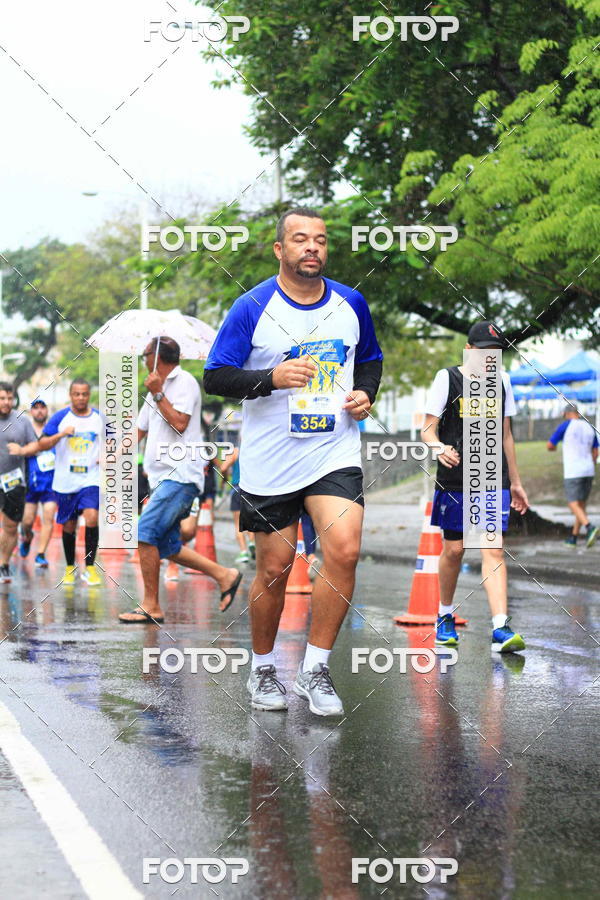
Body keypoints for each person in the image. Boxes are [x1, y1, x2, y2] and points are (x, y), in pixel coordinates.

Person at [204, 207, 383, 716]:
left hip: (334, 450)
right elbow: (215, 376)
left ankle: (314, 669)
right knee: (276, 569)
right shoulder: (252, 305)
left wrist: (365, 393)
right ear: (280, 249)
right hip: (271, 460)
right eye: (301, 239)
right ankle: (262, 667)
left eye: (321, 241)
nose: (313, 248)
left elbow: (369, 358)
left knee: (344, 552)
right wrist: (272, 378)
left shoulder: (351, 302)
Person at [118, 336, 243, 624]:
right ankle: (225, 575)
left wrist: (159, 393)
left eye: (145, 354)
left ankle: (151, 605)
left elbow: (180, 423)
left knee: (145, 533)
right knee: (169, 545)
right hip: (160, 479)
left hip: (180, 476)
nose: (143, 360)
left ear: (157, 355)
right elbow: (138, 432)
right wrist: (110, 457)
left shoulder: (183, 381)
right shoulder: (152, 391)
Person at [421, 321, 529, 653]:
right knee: (454, 550)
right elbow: (427, 429)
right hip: (455, 479)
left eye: (495, 354)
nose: (490, 360)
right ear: (469, 351)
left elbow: (505, 435)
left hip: (492, 476)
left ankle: (500, 627)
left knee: (493, 550)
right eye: (484, 353)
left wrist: (517, 482)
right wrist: (439, 449)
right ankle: (444, 614)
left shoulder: (503, 382)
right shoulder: (448, 378)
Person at [37, 379, 103, 586]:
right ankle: (69, 567)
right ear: (70, 395)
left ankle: (90, 567)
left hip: (91, 478)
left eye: (84, 394)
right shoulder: (60, 417)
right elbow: (42, 444)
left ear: (89, 395)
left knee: (92, 516)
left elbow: (114, 440)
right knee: (69, 525)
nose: (81, 398)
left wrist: (109, 455)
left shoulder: (99, 418)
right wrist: (61, 434)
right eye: (77, 394)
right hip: (65, 481)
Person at [0, 382, 39, 583]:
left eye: (9, 398)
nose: (6, 402)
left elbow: (36, 445)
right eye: (2, 398)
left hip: (14, 482)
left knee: (10, 526)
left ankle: (4, 565)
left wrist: (23, 451)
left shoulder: (22, 421)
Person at [547, 404, 598, 548]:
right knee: (581, 505)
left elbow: (550, 445)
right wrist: (591, 463)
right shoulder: (589, 426)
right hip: (588, 469)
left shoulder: (565, 426)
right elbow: (596, 451)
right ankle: (573, 537)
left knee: (572, 503)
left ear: (567, 414)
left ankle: (589, 527)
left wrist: (555, 447)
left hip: (573, 470)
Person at [19, 399, 58, 567]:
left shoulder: (54, 430)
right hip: (30, 483)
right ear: (31, 412)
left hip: (51, 483)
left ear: (47, 411)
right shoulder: (25, 432)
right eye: (36, 408)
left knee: (48, 518)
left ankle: (41, 554)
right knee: (27, 521)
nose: (40, 411)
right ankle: (27, 537)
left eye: (43, 407)